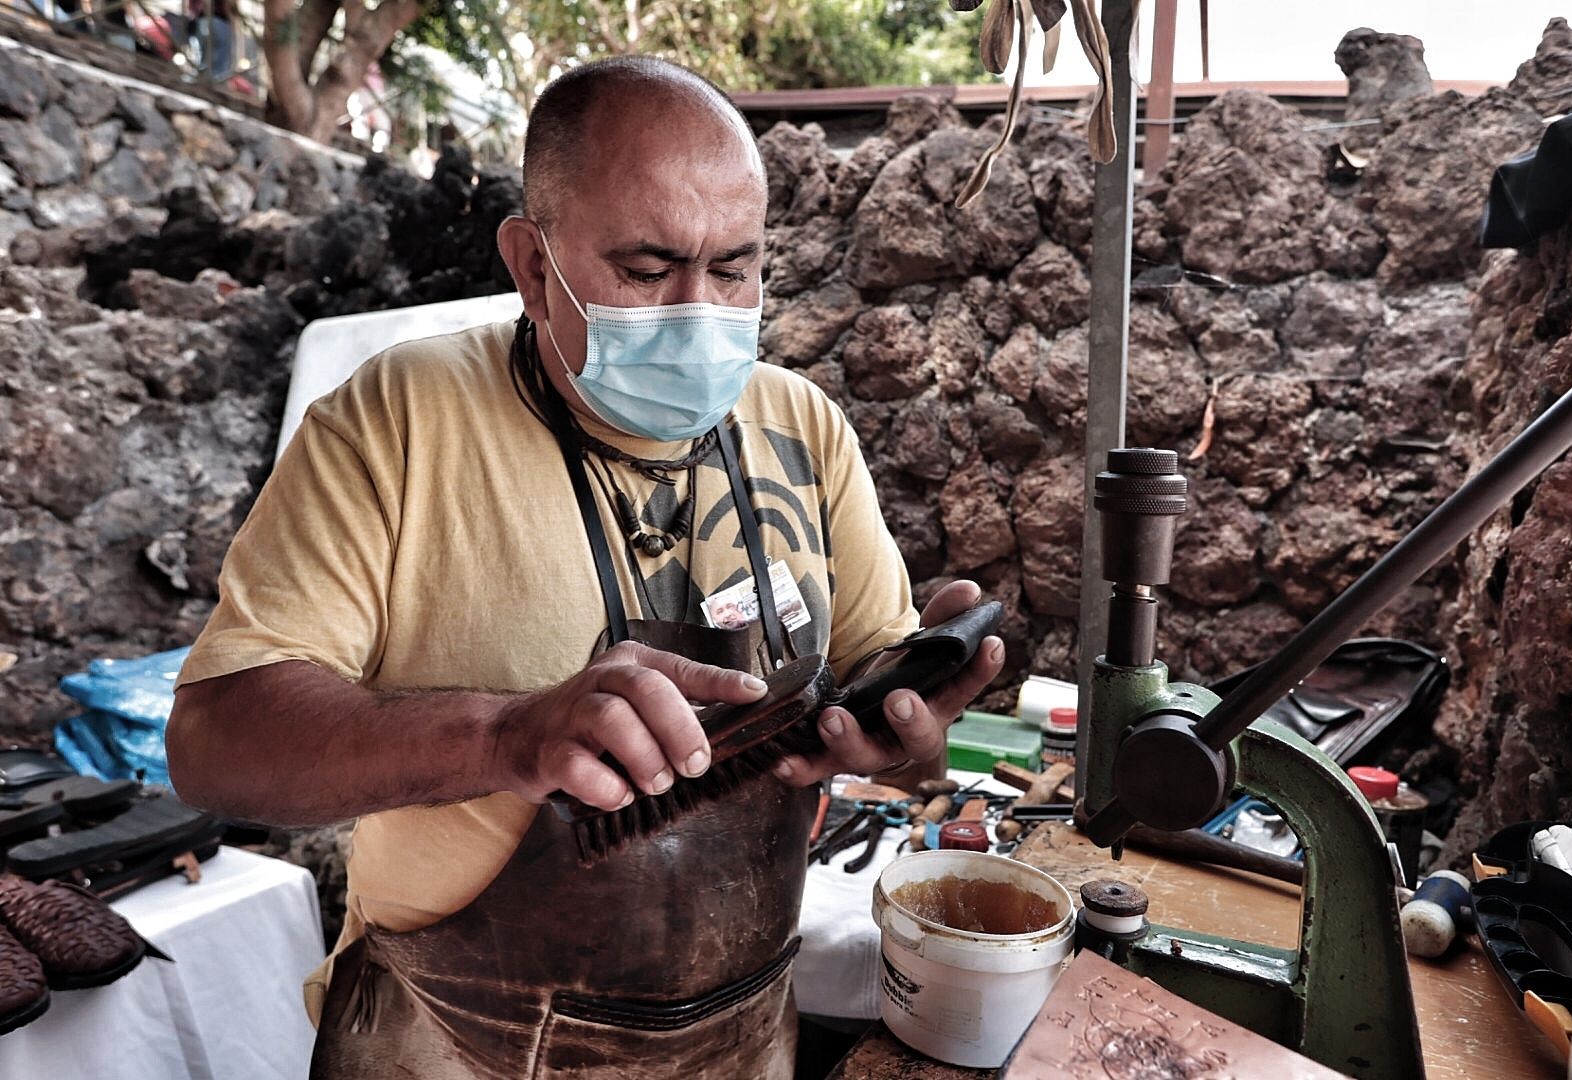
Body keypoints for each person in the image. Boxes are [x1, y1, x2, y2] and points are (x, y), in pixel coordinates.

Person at [166, 56, 1002, 1079]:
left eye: (734, 268)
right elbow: (214, 742)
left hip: (741, 1035)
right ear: (531, 262)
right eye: (647, 271)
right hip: (451, 1043)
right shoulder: (401, 420)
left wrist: (898, 715)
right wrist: (507, 735)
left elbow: (883, 690)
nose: (698, 311)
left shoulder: (801, 428)